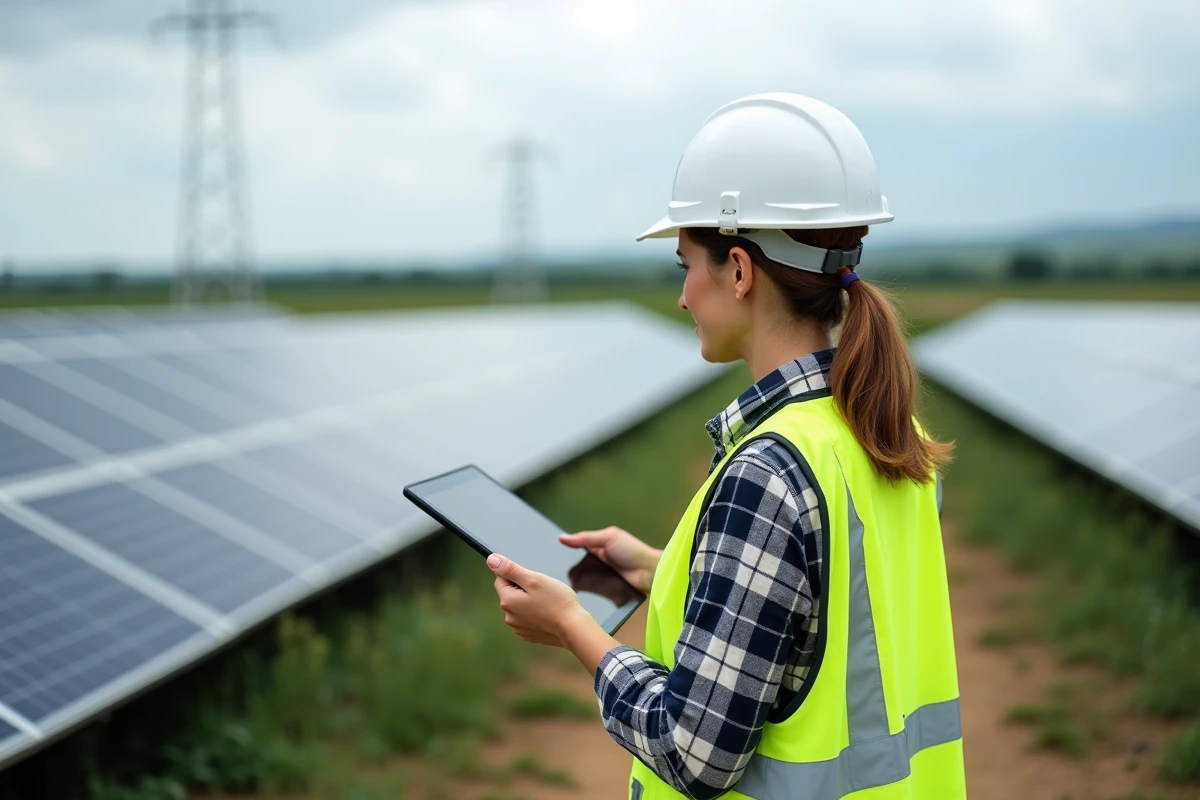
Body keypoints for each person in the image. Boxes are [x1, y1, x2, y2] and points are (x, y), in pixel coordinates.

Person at [486, 93, 966, 800]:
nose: (683, 297)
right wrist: (660, 570)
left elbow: (694, 752)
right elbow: (827, 604)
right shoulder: (889, 431)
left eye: (686, 265)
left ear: (739, 271)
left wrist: (572, 628)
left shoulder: (768, 473)